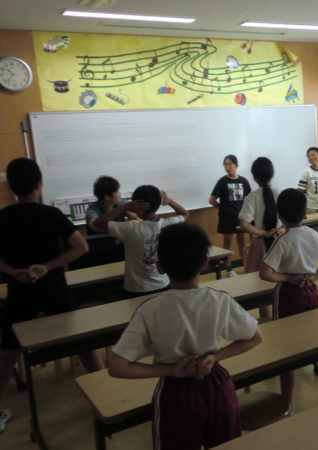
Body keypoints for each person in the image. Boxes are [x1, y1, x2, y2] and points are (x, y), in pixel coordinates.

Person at [109, 222, 261, 450]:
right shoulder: (220, 300)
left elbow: (117, 366)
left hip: (175, 392)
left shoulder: (150, 309)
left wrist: (172, 370)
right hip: (217, 385)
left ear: (160, 267)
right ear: (205, 263)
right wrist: (214, 357)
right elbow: (255, 337)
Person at [0, 158, 104, 433]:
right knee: (83, 344)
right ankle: (107, 393)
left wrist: (14, 272)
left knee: (8, 353)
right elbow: (81, 248)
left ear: (11, 188)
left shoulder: (3, 216)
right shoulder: (51, 214)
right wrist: (46, 267)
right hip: (55, 290)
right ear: (39, 184)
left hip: (19, 292)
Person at [260, 188, 318, 404]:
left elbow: (265, 273)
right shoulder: (314, 235)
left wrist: (289, 278)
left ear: (279, 215)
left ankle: (286, 403)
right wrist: (313, 277)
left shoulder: (282, 240)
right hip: (311, 292)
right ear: (305, 213)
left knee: (287, 349)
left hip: (289, 295)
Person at [94, 185, 188, 298]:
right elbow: (184, 214)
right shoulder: (169, 224)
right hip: (163, 285)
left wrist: (126, 206)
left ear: (136, 207)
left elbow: (98, 223)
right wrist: (169, 201)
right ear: (158, 204)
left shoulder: (130, 229)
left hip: (136, 289)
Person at [239, 157, 280, 318]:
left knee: (262, 287)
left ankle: (267, 321)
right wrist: (280, 230)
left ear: (254, 177)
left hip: (260, 246)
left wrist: (262, 233)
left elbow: (244, 224)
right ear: (272, 174)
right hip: (279, 243)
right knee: (279, 284)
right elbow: (287, 222)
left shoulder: (252, 197)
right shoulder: (280, 193)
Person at [209, 155, 251, 277]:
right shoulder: (222, 181)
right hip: (227, 218)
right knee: (227, 244)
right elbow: (211, 200)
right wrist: (222, 208)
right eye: (225, 164)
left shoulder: (243, 181)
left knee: (242, 243)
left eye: (229, 164)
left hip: (241, 218)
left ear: (236, 165)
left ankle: (246, 267)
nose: (227, 167)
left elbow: (249, 199)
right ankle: (229, 270)